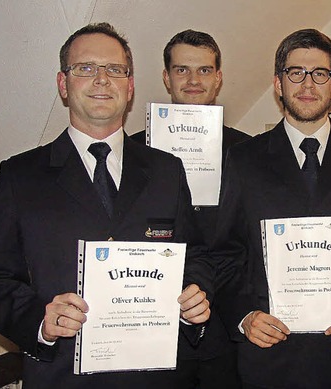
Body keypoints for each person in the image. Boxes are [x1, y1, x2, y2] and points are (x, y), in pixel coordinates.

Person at [0, 22, 211, 389]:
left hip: (158, 378)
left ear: (130, 85)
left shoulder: (167, 170)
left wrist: (196, 294)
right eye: (86, 68)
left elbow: (196, 254)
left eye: (115, 70)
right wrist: (39, 321)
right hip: (61, 375)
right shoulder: (19, 176)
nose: (102, 80)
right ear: (63, 84)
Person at [212, 29, 331, 389]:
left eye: (320, 74)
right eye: (295, 73)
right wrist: (244, 316)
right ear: (278, 84)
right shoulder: (243, 160)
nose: (307, 84)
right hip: (267, 358)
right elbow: (225, 255)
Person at [132, 29, 250, 389]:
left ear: (218, 79)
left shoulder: (248, 154)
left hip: (229, 325)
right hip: (153, 322)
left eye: (204, 70)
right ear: (166, 78)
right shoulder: (132, 154)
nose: (193, 80)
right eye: (182, 70)